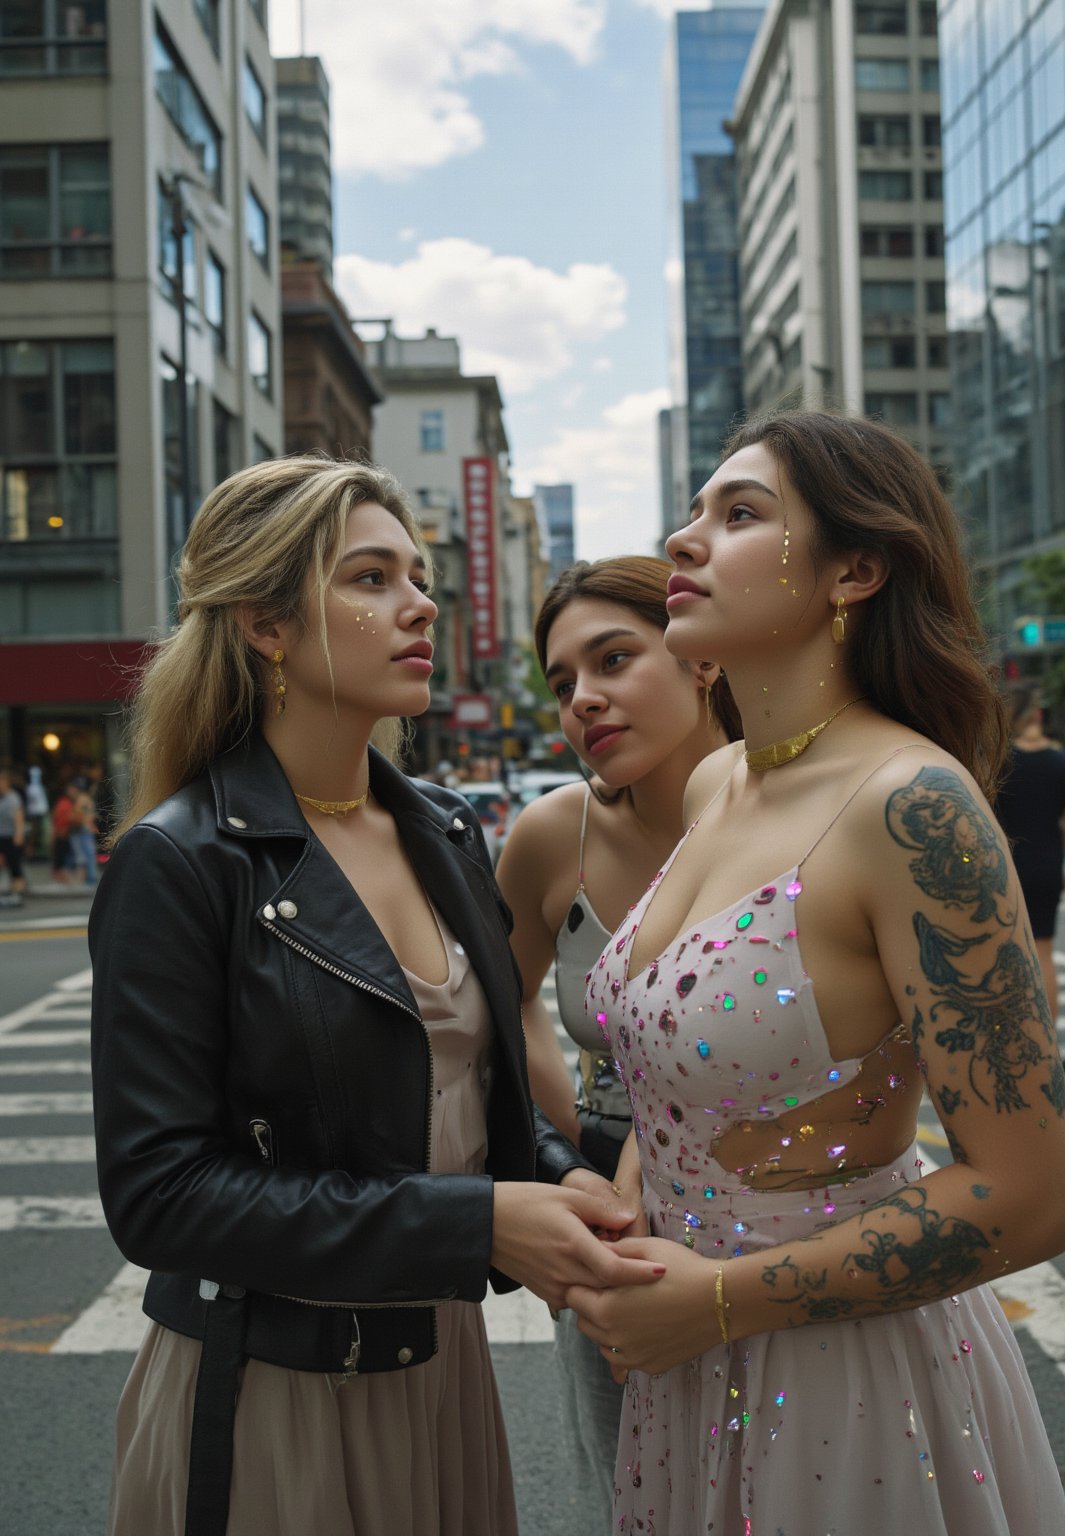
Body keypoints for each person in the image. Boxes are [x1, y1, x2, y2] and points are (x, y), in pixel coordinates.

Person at [89, 457, 664, 1536]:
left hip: (438, 1368)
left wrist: (564, 1183)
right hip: (273, 1392)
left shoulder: (443, 828)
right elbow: (159, 1195)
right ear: (265, 623)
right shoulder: (182, 862)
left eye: (416, 576)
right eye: (368, 578)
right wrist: (482, 1222)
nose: (418, 605)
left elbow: (462, 1095)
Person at [568, 410, 1065, 1534]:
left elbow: (1030, 1197)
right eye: (692, 512)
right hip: (683, 1366)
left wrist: (717, 1304)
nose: (685, 539)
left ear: (855, 569)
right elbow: (696, 1072)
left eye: (739, 514)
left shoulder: (912, 806)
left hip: (845, 1388)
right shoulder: (716, 786)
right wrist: (630, 1184)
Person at [497, 556, 741, 1520]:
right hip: (613, 1230)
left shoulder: (804, 810)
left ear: (698, 661)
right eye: (563, 684)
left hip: (781, 1212)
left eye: (613, 659)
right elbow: (506, 1005)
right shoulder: (554, 835)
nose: (583, 701)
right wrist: (575, 1157)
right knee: (638, 1493)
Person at [995, 686, 1065, 1034]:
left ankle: (1017, 1034)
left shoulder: (1002, 760)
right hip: (1048, 866)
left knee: (1009, 953)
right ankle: (1048, 1042)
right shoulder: (1061, 762)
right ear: (1039, 715)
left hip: (1007, 866)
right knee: (1044, 953)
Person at [0, 768, 27, 905]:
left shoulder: (13, 798)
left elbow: (18, 817)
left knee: (14, 865)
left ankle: (18, 892)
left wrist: (18, 835)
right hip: (1, 835)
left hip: (11, 836)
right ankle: (11, 890)